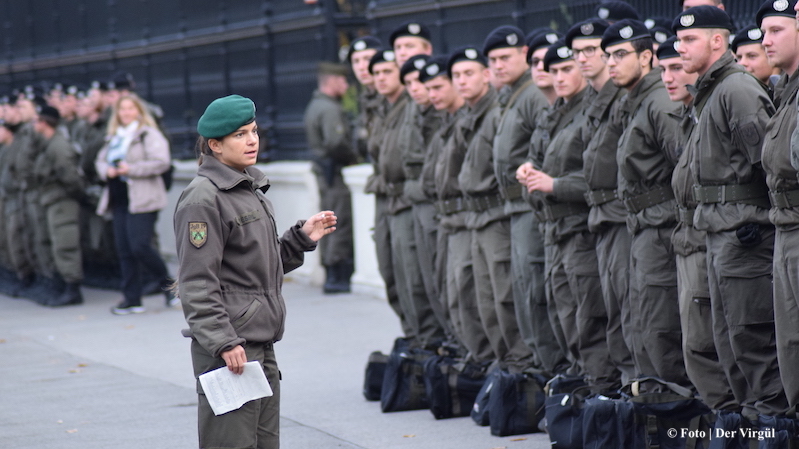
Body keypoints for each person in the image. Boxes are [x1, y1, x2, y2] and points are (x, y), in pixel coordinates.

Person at [175, 94, 336, 449]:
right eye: (239, 134)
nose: (252, 140)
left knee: (264, 444)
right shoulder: (203, 198)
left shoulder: (248, 188)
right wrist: (223, 340)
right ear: (215, 145)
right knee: (232, 444)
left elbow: (257, 266)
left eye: (254, 131)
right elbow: (197, 281)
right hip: (231, 347)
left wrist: (299, 239)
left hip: (257, 342)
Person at [674, 5, 787, 419]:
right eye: (679, 40)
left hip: (744, 235)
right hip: (719, 232)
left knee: (753, 340)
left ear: (717, 41)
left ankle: (773, 428)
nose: (680, 48)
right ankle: (752, 423)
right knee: (729, 341)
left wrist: (759, 224)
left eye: (689, 40)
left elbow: (769, 165)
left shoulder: (736, 89)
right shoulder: (711, 91)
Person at [603, 19, 689, 388]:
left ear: (646, 57)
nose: (611, 63)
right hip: (642, 225)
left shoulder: (657, 100)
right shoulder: (635, 101)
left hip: (662, 228)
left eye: (620, 54)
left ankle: (675, 410)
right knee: (641, 324)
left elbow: (685, 165)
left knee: (661, 328)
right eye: (608, 56)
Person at [488, 24, 565, 374]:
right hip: (516, 206)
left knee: (535, 290)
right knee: (522, 292)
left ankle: (550, 368)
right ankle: (540, 368)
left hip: (531, 204)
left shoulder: (532, 95)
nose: (498, 65)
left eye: (505, 57)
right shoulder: (514, 95)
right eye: (493, 60)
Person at [567, 17, 636, 385]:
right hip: (601, 217)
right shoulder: (593, 99)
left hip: (621, 215)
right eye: (577, 52)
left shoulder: (623, 96)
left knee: (628, 311)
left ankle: (632, 390)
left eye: (592, 50)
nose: (584, 58)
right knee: (606, 309)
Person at [95, 94, 175, 314]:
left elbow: (161, 162)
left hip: (143, 198)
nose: (126, 113)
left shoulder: (148, 134)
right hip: (119, 199)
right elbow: (99, 161)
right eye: (122, 109)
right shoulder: (114, 137)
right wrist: (108, 171)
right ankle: (132, 299)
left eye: (130, 108)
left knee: (140, 246)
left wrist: (131, 169)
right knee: (124, 250)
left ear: (139, 111)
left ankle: (170, 286)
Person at [758, 0, 799, 415]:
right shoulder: (785, 91)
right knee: (790, 347)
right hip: (784, 226)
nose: (765, 41)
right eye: (763, 32)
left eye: (776, 30)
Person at [303, 62, 357, 294]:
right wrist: (354, 156)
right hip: (334, 173)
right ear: (332, 81)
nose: (346, 86)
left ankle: (330, 270)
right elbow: (336, 143)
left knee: (328, 221)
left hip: (324, 172)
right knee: (339, 221)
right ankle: (337, 274)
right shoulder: (330, 109)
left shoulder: (315, 105)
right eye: (343, 81)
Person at [33, 106, 86, 307]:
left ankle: (73, 289)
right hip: (53, 200)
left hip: (62, 200)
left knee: (65, 244)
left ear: (44, 122)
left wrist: (77, 195)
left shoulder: (58, 145)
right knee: (57, 243)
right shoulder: (49, 143)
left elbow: (69, 176)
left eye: (37, 120)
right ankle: (64, 285)